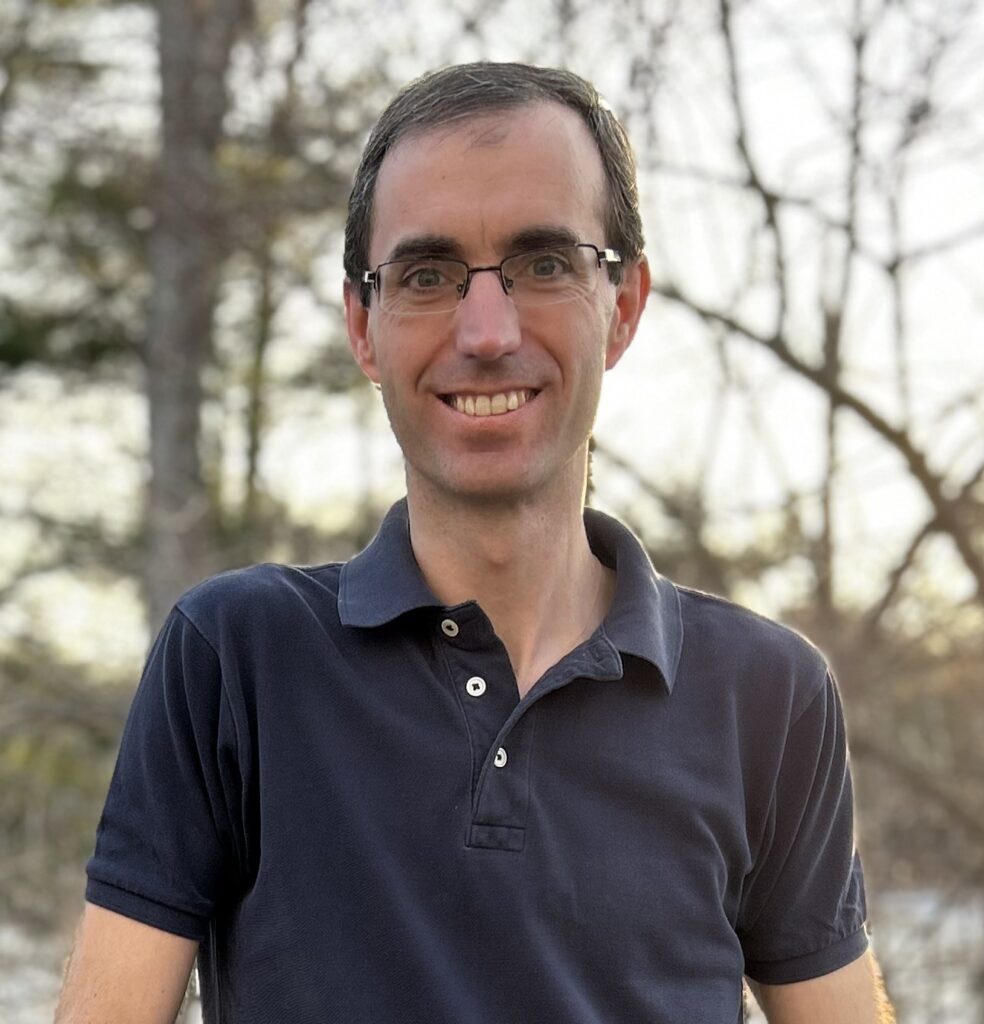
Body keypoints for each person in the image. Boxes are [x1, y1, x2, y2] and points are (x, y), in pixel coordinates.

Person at [56, 62, 891, 1023]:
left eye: (545, 265)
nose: (487, 333)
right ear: (363, 328)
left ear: (622, 306)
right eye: (426, 276)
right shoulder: (237, 657)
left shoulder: (767, 694)